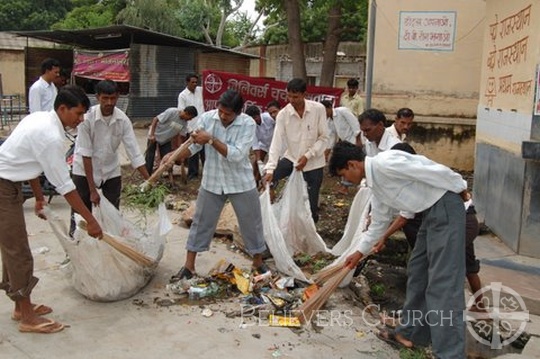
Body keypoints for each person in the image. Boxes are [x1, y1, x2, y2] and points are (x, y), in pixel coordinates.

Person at [329, 141, 469, 358]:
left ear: (352, 165)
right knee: (418, 272)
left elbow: (431, 170)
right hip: (430, 213)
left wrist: (460, 188)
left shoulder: (386, 163)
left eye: (343, 174)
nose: (344, 180)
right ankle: (411, 334)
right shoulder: (375, 185)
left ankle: (450, 354)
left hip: (446, 208)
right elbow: (379, 223)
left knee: (444, 284)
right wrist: (358, 253)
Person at [0, 85, 103, 334]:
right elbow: (65, 186)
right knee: (19, 252)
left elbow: (33, 164)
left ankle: (20, 306)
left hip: (10, 182)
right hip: (3, 187)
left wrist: (38, 197)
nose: (80, 120)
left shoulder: (40, 118)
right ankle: (26, 317)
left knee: (12, 249)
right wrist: (90, 220)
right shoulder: (50, 136)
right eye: (77, 114)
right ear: (62, 109)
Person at [164, 89, 268, 282]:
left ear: (238, 112)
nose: (222, 116)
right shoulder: (207, 119)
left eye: (227, 114)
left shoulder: (247, 123)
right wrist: (175, 156)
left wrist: (211, 140)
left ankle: (258, 262)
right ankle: (189, 266)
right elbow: (193, 146)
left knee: (251, 223)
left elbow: (237, 155)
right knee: (200, 222)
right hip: (212, 181)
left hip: (241, 182)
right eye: (220, 111)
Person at [70, 80, 149, 234]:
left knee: (113, 214)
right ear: (98, 97)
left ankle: (110, 246)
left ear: (118, 97)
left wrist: (149, 180)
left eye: (113, 98)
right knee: (80, 214)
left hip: (111, 171)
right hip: (84, 171)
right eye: (105, 98)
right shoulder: (87, 118)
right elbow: (86, 154)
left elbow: (134, 152)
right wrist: (92, 190)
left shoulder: (122, 120)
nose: (109, 102)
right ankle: (75, 248)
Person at [263, 78, 329, 223]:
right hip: (292, 158)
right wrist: (270, 169)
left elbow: (324, 138)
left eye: (296, 96)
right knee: (271, 178)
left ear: (304, 94)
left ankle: (311, 233)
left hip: (314, 163)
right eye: (289, 96)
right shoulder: (283, 114)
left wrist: (308, 156)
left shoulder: (318, 109)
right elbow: (276, 142)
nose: (292, 100)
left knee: (311, 205)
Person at [321, 100, 361, 195]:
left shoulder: (342, 111)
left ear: (329, 107)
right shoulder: (329, 121)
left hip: (356, 141)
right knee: (345, 164)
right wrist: (326, 153)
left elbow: (355, 124)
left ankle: (346, 187)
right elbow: (331, 137)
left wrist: (358, 141)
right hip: (346, 143)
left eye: (324, 111)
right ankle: (345, 187)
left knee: (349, 164)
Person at [145, 106, 198, 175]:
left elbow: (180, 136)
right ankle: (147, 176)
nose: (190, 120)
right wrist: (152, 135)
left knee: (169, 159)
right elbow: (156, 119)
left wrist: (179, 150)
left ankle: (169, 177)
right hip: (155, 135)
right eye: (190, 117)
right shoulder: (172, 112)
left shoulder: (184, 123)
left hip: (165, 140)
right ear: (186, 113)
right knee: (150, 156)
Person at [177, 74, 205, 180]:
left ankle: (206, 172)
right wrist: (188, 129)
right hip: (192, 126)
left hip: (203, 127)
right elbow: (182, 112)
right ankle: (193, 173)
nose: (194, 84)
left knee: (204, 151)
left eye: (196, 82)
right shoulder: (183, 95)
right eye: (192, 82)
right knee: (193, 151)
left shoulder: (200, 91)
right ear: (187, 82)